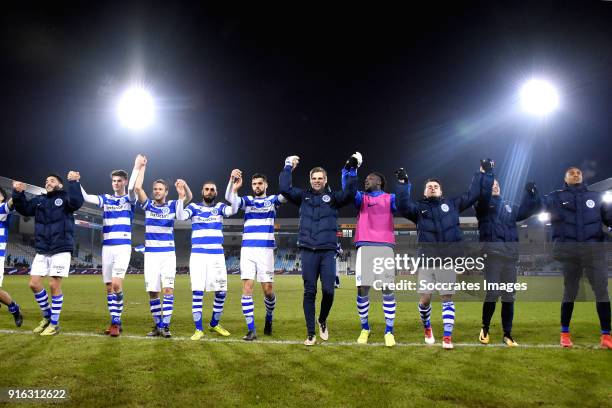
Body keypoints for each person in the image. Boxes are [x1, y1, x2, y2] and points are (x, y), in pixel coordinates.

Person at [396, 160, 494, 349]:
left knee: (447, 297)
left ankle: (447, 337)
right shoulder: (418, 209)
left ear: (441, 191)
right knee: (425, 300)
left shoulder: (453, 204)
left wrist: (482, 172)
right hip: (427, 260)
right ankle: (427, 328)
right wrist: (402, 184)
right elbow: (402, 204)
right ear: (425, 192)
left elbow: (473, 194)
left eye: (435, 186)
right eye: (429, 187)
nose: (432, 188)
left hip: (447, 260)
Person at [522, 167, 612, 349]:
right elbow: (538, 206)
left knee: (602, 292)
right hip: (570, 253)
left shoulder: (595, 197)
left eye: (578, 172)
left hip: (594, 252)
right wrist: (532, 194)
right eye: (571, 173)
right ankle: (564, 333)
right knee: (570, 292)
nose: (576, 174)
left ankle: (606, 336)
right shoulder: (556, 197)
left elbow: (609, 218)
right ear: (565, 178)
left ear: (582, 176)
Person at [279, 153, 358, 346]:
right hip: (307, 250)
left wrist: (353, 170)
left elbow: (349, 192)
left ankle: (322, 320)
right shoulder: (303, 196)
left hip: (328, 250)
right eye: (314, 178)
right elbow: (284, 188)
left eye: (320, 178)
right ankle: (310, 333)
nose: (316, 181)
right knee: (309, 292)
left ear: (325, 180)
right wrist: (288, 166)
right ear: (310, 180)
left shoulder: (333, 198)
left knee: (329, 291)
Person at [12, 172, 84, 335]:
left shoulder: (66, 197)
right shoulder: (40, 200)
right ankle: (48, 317)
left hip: (61, 247)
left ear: (59, 185)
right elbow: (24, 209)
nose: (48, 182)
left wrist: (74, 182)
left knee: (53, 285)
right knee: (34, 284)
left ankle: (54, 324)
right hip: (43, 248)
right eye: (46, 180)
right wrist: (18, 193)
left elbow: (77, 202)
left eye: (52, 180)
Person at [344, 169, 410, 347]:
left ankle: (389, 331)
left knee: (387, 289)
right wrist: (349, 172)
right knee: (362, 290)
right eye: (365, 178)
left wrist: (404, 184)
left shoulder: (390, 198)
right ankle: (365, 328)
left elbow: (404, 205)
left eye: (370, 178)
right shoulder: (361, 198)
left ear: (379, 182)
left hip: (384, 246)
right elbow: (349, 191)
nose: (366, 180)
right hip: (365, 246)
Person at [79, 155, 142, 336]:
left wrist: (136, 167)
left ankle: (115, 321)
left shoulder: (130, 200)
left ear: (124, 182)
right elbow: (85, 197)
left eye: (119, 181)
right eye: (113, 181)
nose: (115, 183)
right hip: (106, 247)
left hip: (122, 246)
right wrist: (76, 182)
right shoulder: (106, 198)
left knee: (116, 284)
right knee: (108, 287)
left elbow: (132, 189)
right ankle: (116, 320)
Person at [134, 157, 192, 338]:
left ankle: (166, 326)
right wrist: (142, 167)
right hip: (151, 255)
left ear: (166, 191)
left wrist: (184, 187)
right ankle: (158, 325)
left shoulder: (174, 205)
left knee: (168, 289)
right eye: (155, 189)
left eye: (160, 189)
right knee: (153, 292)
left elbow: (189, 198)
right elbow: (137, 188)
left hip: (167, 255)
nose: (157, 191)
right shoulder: (148, 205)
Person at [225, 169, 286, 341]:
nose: (257, 186)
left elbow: (286, 195)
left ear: (266, 185)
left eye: (260, 183)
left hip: (265, 251)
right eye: (254, 184)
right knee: (247, 289)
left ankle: (269, 316)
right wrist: (233, 183)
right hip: (248, 250)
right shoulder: (247, 201)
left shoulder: (272, 200)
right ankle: (251, 329)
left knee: (267, 291)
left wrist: (287, 169)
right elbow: (230, 199)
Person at [176, 177, 238, 341]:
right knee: (197, 291)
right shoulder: (194, 208)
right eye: (207, 189)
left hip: (217, 255)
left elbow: (234, 210)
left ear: (216, 193)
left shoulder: (219, 207)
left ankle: (214, 323)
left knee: (222, 291)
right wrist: (181, 197)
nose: (209, 192)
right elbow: (181, 216)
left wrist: (233, 188)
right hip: (198, 255)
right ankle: (198, 329)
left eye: (212, 189)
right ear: (202, 192)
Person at [474, 178, 533, 347]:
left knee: (508, 296)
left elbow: (525, 211)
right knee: (492, 293)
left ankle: (507, 334)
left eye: (497, 185)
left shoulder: (509, 206)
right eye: (491, 185)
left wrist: (530, 195)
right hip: (492, 255)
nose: (495, 187)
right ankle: (485, 328)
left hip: (510, 256)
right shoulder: (482, 206)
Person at [0, 187, 23, 327]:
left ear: (2, 197)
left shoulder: (2, 208)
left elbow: (10, 204)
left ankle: (15, 309)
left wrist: (17, 192)